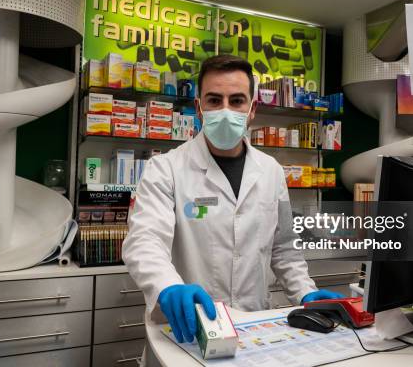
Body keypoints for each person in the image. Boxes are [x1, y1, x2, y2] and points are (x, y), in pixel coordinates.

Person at [122, 54, 342, 346]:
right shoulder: (165, 169)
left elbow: (284, 247)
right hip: (187, 327)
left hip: (253, 328)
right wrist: (168, 287)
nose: (225, 110)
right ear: (199, 108)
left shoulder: (272, 172)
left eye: (237, 100)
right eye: (214, 100)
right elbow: (145, 241)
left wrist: (304, 292)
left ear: (252, 109)